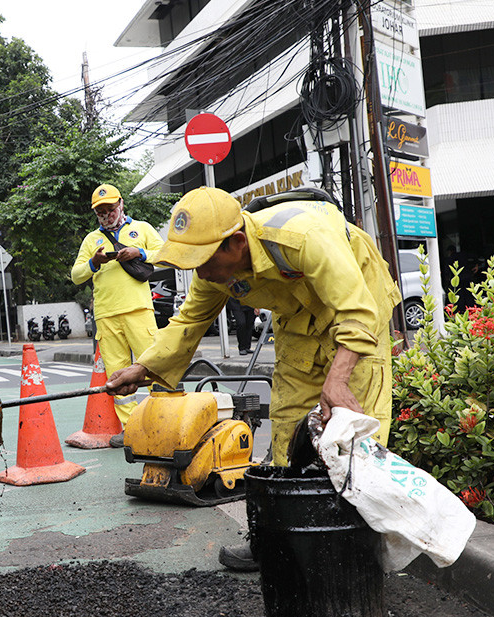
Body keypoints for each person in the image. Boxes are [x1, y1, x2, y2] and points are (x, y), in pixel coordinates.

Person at [106, 188, 400, 570]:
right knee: (286, 425)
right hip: (298, 320)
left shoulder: (303, 238)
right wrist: (143, 369)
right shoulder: (214, 271)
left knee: (356, 431)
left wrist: (338, 380)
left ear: (237, 243)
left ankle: (355, 551)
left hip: (358, 307)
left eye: (203, 260)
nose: (200, 272)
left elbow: (357, 310)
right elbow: (190, 321)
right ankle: (277, 542)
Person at [70, 184, 164, 446]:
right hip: (107, 316)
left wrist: (140, 253)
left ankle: (165, 420)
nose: (107, 216)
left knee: (156, 366)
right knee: (118, 377)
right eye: (101, 212)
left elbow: (167, 255)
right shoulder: (91, 240)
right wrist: (94, 263)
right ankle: (131, 428)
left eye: (110, 209)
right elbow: (76, 275)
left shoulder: (142, 229)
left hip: (139, 311)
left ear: (121, 204)